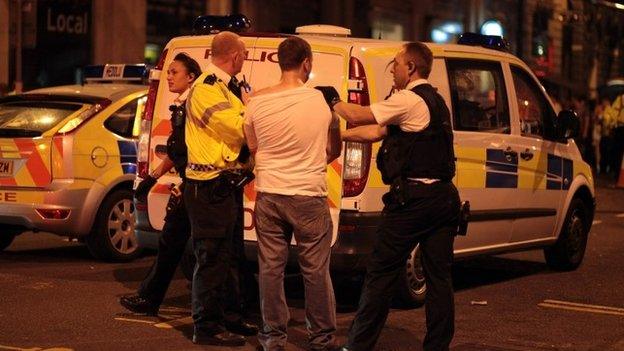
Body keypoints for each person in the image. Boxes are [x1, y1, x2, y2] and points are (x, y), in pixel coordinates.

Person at [316, 42, 460, 351]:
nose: (392, 69)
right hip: (443, 199)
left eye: (395, 64)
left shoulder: (408, 99)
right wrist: (335, 135)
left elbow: (361, 115)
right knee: (439, 278)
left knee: (380, 273)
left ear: (411, 68)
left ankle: (357, 345)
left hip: (413, 202)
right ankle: (438, 346)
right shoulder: (435, 100)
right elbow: (376, 132)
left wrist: (333, 101)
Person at [244, 36, 341, 351]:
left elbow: (254, 147)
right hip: (308, 196)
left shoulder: (256, 101)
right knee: (315, 269)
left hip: (269, 194)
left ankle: (273, 337)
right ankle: (322, 338)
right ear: (307, 63)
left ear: (278, 62)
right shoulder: (320, 102)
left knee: (271, 268)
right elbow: (333, 149)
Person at [184, 31, 257, 347]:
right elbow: (237, 127)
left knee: (229, 257)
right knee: (212, 258)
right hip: (208, 184)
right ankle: (206, 326)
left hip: (225, 184)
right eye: (244, 54)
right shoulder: (207, 89)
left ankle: (229, 318)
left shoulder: (230, 88)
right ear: (236, 55)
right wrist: (253, 111)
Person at [119, 53, 201, 315]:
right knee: (172, 242)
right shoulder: (181, 105)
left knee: (214, 252)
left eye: (174, 72)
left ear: (191, 77)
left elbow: (191, 151)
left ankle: (230, 309)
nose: (168, 76)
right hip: (191, 184)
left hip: (201, 185)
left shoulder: (196, 105)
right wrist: (152, 177)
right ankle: (149, 298)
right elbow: (176, 151)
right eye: (168, 72)